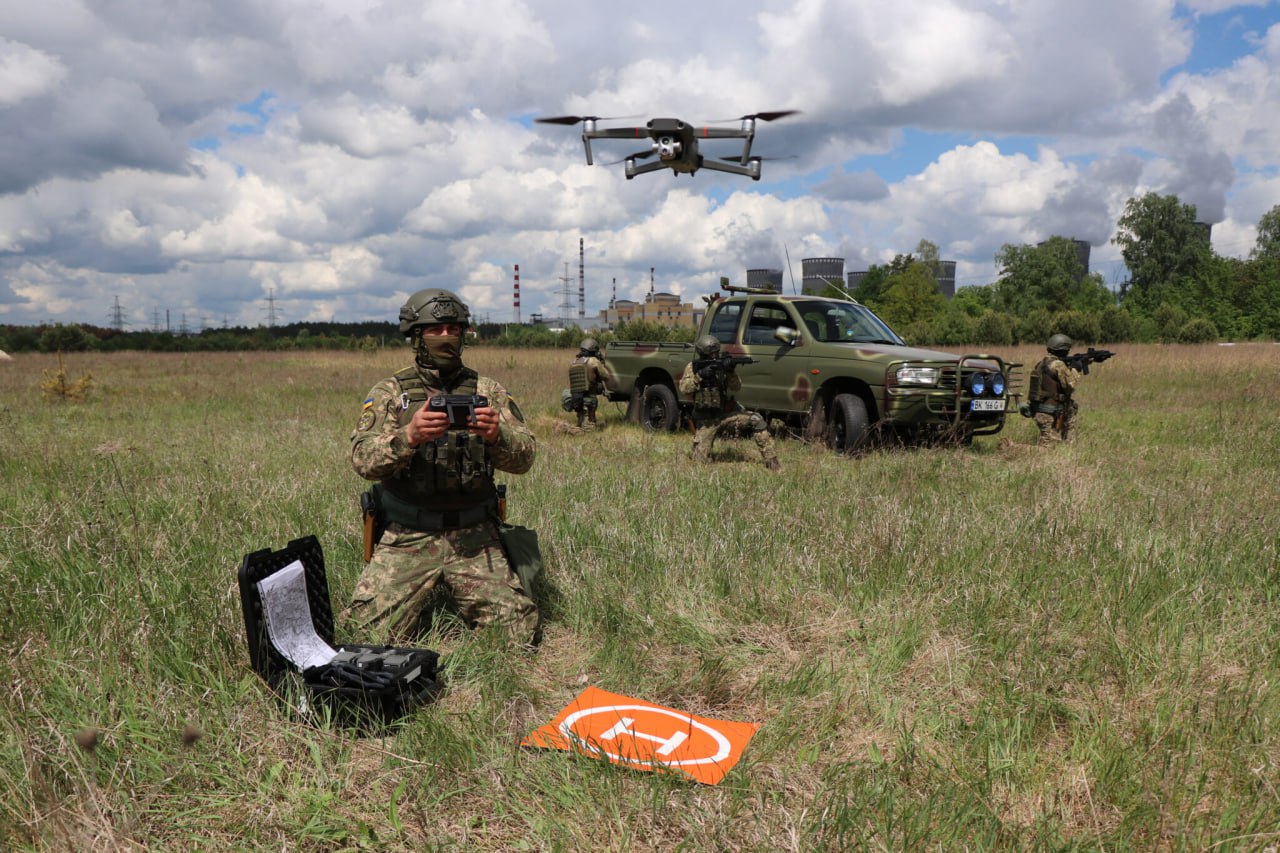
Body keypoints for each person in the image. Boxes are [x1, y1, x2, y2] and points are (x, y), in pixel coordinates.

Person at [343, 288, 540, 646]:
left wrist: (498, 437)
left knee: (517, 638)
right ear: (417, 335)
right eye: (435, 329)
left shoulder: (489, 390)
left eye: (453, 328)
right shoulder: (391, 393)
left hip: (474, 535)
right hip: (408, 534)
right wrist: (409, 436)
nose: (446, 336)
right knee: (363, 637)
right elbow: (362, 460)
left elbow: (526, 457)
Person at [677, 335, 781, 471]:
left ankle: (772, 461)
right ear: (702, 353)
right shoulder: (693, 367)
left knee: (756, 419)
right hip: (706, 421)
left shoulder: (723, 367)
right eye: (711, 353)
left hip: (726, 415)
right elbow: (684, 388)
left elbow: (736, 387)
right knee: (699, 463)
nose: (714, 356)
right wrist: (700, 376)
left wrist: (730, 371)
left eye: (716, 352)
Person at [1027, 333, 1081, 446]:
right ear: (1064, 350)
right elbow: (1071, 385)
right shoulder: (1058, 365)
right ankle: (1011, 447)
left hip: (1041, 410)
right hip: (1051, 412)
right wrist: (1075, 369)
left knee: (1051, 443)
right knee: (1047, 448)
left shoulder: (1041, 364)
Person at [567, 338, 615, 429]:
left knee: (581, 419)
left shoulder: (574, 362)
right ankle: (590, 425)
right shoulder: (593, 361)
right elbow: (606, 376)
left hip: (576, 397)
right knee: (590, 421)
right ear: (593, 350)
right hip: (590, 397)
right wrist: (602, 363)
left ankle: (580, 423)